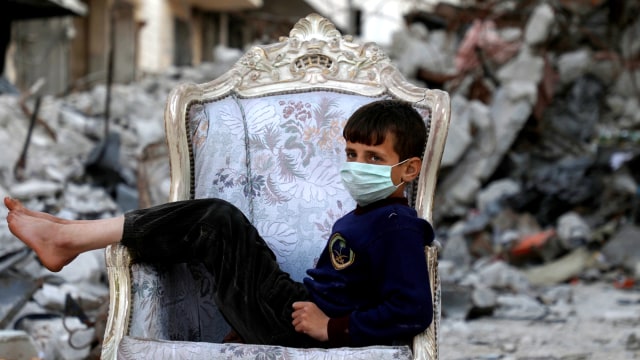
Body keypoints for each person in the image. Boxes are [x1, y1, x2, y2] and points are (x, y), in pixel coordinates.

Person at [4, 99, 434, 349]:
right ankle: (68, 233)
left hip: (300, 324)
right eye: (352, 155)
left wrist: (332, 327)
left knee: (217, 220)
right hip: (292, 306)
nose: (358, 167)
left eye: (374, 159)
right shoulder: (372, 216)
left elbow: (412, 310)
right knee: (217, 222)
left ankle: (69, 237)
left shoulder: (397, 228)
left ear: (409, 169)